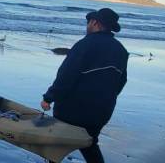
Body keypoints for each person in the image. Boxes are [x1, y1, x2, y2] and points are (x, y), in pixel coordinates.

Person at [40, 8, 128, 163]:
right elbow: (121, 82)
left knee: (56, 144)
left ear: (95, 22)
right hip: (102, 112)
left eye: (88, 23)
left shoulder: (85, 44)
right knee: (89, 142)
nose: (87, 26)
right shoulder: (121, 50)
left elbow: (66, 76)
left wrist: (49, 98)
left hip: (72, 110)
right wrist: (105, 98)